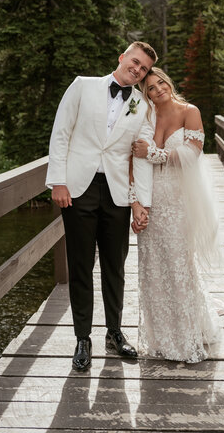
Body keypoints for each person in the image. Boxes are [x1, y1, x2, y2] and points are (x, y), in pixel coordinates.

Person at [46, 41, 158, 371]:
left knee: (115, 267)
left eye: (144, 69)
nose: (137, 70)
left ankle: (114, 333)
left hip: (118, 193)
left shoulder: (141, 104)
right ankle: (83, 337)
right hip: (78, 188)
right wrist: (59, 181)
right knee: (80, 265)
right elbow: (61, 133)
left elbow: (141, 157)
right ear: (122, 57)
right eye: (134, 62)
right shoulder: (83, 86)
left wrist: (140, 202)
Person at [131, 67, 224, 363]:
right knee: (152, 264)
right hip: (151, 198)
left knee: (178, 263)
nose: (159, 90)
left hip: (178, 199)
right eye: (150, 88)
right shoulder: (143, 118)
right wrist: (136, 202)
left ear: (168, 83)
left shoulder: (189, 111)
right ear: (144, 94)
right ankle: (160, 338)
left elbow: (192, 153)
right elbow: (131, 159)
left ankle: (187, 336)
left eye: (161, 83)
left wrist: (153, 153)